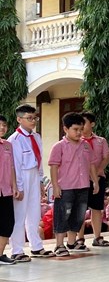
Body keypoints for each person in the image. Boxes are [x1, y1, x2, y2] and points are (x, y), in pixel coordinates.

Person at [48, 112, 99, 257]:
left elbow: (91, 165)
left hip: (83, 186)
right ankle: (59, 245)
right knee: (62, 215)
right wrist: (55, 186)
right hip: (66, 187)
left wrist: (95, 181)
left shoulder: (86, 145)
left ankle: (71, 243)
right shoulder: (59, 146)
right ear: (65, 129)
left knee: (78, 215)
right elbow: (53, 166)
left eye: (81, 129)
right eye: (75, 129)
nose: (79, 133)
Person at [7, 104, 52, 260]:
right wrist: (18, 187)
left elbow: (39, 160)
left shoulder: (36, 136)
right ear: (19, 119)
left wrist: (40, 180)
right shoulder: (15, 139)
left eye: (35, 118)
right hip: (21, 176)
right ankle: (17, 250)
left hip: (34, 175)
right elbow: (15, 165)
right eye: (29, 118)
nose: (33, 121)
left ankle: (36, 246)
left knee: (34, 213)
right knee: (19, 214)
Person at [76, 111, 109, 248]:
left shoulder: (101, 141)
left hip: (98, 177)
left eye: (84, 123)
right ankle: (79, 238)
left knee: (96, 208)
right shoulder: (76, 141)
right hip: (80, 179)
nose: (81, 126)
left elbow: (106, 157)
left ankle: (97, 237)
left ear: (92, 124)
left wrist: (96, 173)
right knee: (80, 208)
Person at [0, 115, 22, 265]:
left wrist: (14, 186)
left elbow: (12, 167)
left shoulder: (8, 145)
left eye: (4, 125)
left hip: (6, 190)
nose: (2, 128)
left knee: (7, 223)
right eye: (0, 125)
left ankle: (0, 254)